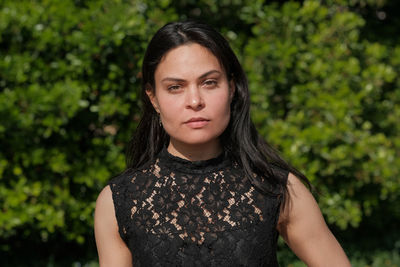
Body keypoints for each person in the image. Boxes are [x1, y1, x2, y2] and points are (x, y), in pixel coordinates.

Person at [94, 21, 351, 267]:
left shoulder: (275, 189)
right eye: (175, 87)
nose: (194, 101)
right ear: (153, 98)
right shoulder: (120, 201)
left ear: (231, 87)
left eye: (209, 83)